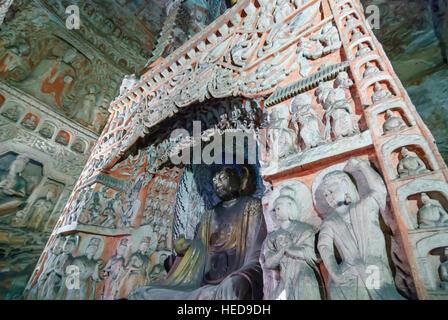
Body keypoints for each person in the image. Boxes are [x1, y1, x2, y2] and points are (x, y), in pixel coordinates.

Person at [128, 166, 267, 300]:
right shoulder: (208, 216)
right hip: (201, 282)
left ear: (239, 180)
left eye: (223, 178)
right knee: (144, 293)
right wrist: (187, 246)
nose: (217, 184)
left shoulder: (251, 206)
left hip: (233, 277)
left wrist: (242, 277)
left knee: (227, 292)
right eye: (214, 181)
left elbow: (257, 253)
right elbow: (201, 248)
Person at [316, 157, 403, 300]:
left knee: (380, 290)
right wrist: (334, 271)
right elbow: (324, 247)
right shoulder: (329, 223)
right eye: (325, 195)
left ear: (345, 184)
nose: (328, 197)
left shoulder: (364, 205)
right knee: (337, 288)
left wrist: (363, 166)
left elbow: (379, 190)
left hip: (373, 265)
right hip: (348, 271)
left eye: (331, 191)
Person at [263, 192, 321, 300]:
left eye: (279, 208)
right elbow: (269, 263)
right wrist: (280, 253)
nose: (276, 212)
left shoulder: (304, 229)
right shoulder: (272, 237)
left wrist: (287, 249)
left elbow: (309, 253)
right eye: (275, 209)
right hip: (284, 278)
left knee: (305, 286)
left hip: (302, 273)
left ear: (290, 207)